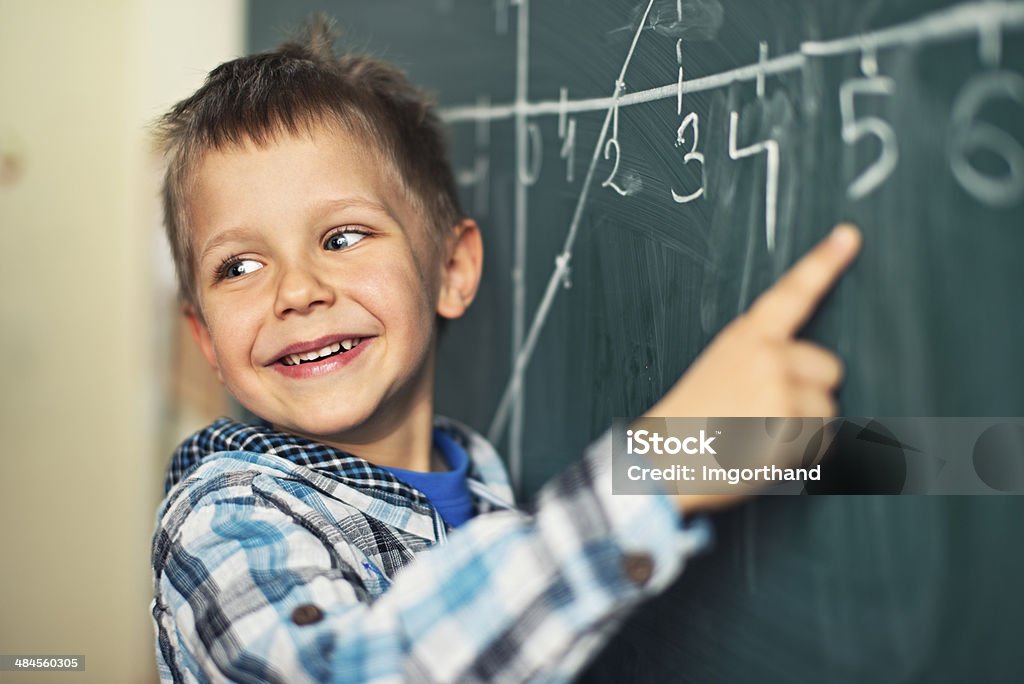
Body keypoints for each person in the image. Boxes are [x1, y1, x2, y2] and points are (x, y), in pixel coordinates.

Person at [150, 18, 861, 683]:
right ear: (207, 340)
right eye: (238, 267)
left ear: (451, 271)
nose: (296, 291)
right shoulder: (225, 517)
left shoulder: (483, 485)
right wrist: (653, 474)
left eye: (342, 238)